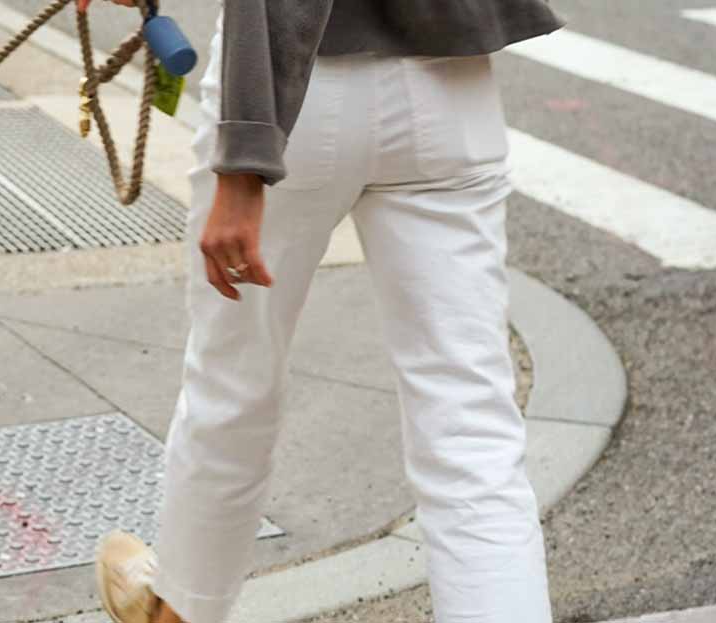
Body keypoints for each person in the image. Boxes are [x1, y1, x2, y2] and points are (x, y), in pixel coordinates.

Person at [84, 1, 566, 622]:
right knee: (470, 425)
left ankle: (179, 611)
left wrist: (241, 165)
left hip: (291, 89)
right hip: (451, 78)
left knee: (234, 385)